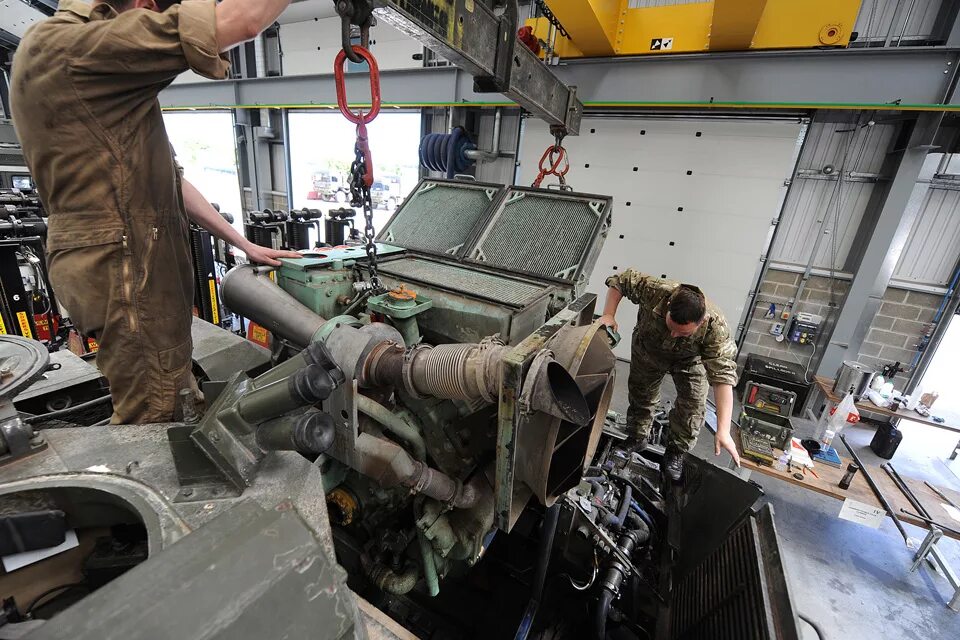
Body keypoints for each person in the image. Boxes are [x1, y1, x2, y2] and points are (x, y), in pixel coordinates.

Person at [11, 0, 298, 424]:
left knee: (174, 398)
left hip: (140, 272)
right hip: (127, 274)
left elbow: (172, 180)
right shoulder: (67, 46)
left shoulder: (107, 84)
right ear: (143, 5)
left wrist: (241, 243)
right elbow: (241, 21)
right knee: (155, 414)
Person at [599, 270, 741, 480]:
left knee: (692, 406)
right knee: (641, 394)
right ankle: (637, 437)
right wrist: (609, 314)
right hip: (649, 350)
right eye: (671, 327)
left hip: (690, 361)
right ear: (667, 308)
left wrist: (723, 429)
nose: (674, 335)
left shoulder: (716, 328)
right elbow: (620, 280)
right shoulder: (655, 290)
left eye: (682, 333)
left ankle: (675, 453)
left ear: (700, 323)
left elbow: (723, 379)